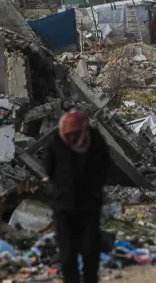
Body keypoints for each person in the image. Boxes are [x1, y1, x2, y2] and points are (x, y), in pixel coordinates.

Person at [44, 110, 109, 283]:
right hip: (64, 207)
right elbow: (49, 170)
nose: (72, 138)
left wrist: (94, 187)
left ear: (83, 130)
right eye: (69, 135)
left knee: (90, 251)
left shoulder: (95, 142)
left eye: (75, 134)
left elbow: (106, 167)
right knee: (67, 254)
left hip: (89, 206)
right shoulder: (56, 144)